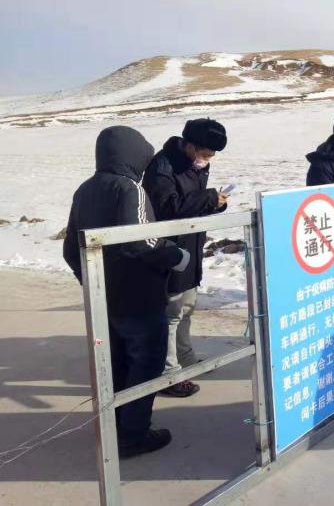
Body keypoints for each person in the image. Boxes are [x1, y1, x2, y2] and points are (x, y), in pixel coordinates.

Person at [63, 126, 189, 458]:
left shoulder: (84, 189)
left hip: (106, 299)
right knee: (146, 364)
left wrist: (92, 282)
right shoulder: (129, 188)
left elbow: (70, 249)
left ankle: (116, 427)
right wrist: (177, 256)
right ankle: (133, 436)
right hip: (139, 297)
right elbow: (141, 241)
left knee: (118, 364)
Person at [143, 118, 228, 398]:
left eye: (212, 155)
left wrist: (215, 204)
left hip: (191, 245)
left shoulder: (195, 165)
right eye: (205, 153)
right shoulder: (163, 166)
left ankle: (186, 359)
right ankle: (169, 374)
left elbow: (192, 203)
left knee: (187, 306)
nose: (208, 159)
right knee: (171, 312)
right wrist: (208, 199)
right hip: (169, 249)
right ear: (190, 146)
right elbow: (167, 207)